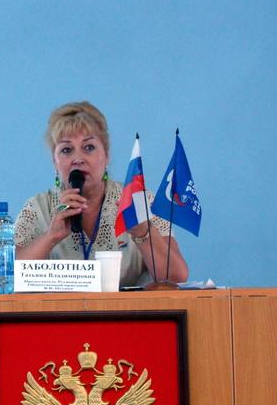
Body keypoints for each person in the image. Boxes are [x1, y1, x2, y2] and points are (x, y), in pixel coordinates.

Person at [15, 101, 188, 287]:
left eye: (88, 147)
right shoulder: (37, 208)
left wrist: (143, 232)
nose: (78, 159)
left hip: (127, 307)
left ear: (106, 155)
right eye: (66, 150)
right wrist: (51, 237)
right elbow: (7, 275)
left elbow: (177, 276)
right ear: (54, 162)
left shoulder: (140, 202)